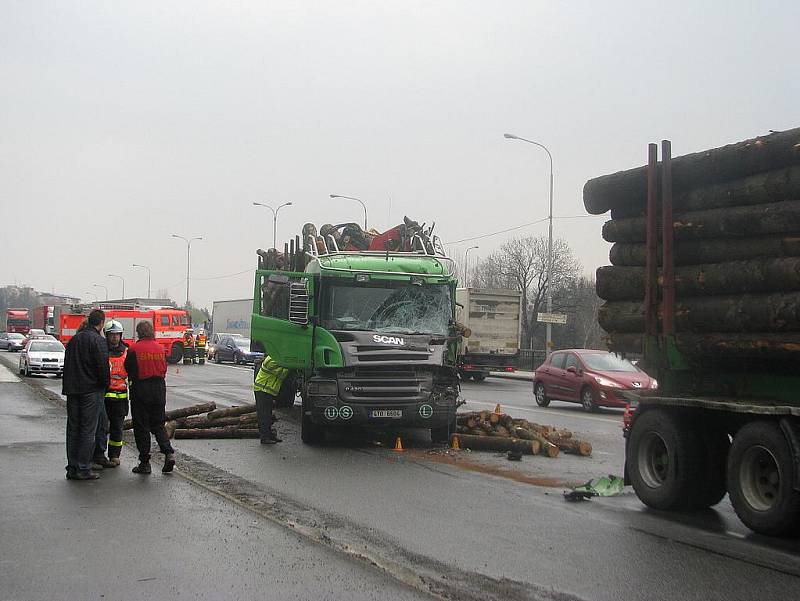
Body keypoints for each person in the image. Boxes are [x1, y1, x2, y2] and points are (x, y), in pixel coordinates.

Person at [62, 309, 109, 480]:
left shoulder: (74, 340)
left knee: (73, 429)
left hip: (73, 389)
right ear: (101, 323)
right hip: (91, 391)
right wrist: (105, 386)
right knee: (88, 430)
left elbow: (66, 365)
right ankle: (84, 467)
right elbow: (103, 368)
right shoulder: (98, 341)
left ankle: (72, 467)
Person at [125, 320, 175, 474]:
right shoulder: (160, 348)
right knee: (158, 424)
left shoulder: (134, 349)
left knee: (141, 427)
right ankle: (168, 453)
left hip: (141, 388)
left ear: (139, 332)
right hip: (159, 388)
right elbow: (165, 367)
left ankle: (145, 462)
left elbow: (128, 367)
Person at [93, 320, 128, 468]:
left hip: (120, 397)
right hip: (105, 395)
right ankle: (99, 455)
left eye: (117, 335)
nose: (114, 338)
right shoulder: (101, 350)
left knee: (117, 429)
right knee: (101, 427)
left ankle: (114, 455)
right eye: (112, 335)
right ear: (107, 335)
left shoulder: (126, 350)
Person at [253, 355, 288, 444]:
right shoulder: (271, 360)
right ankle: (264, 437)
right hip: (262, 390)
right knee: (264, 415)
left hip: (267, 391)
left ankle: (269, 435)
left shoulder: (276, 358)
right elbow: (281, 374)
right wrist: (290, 367)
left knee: (267, 414)